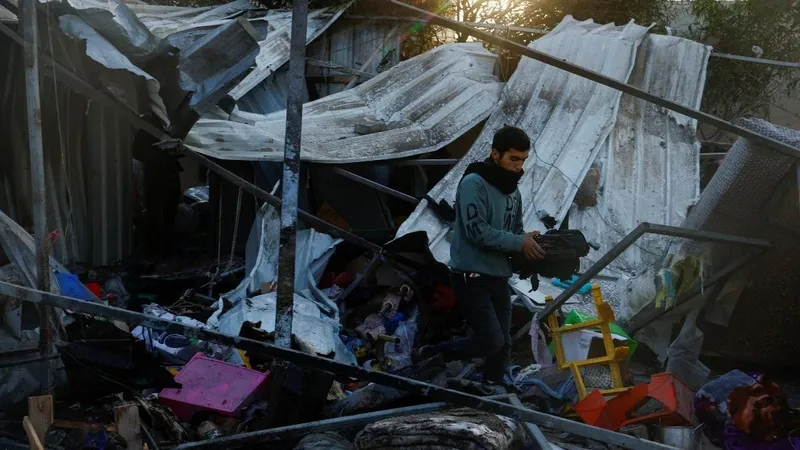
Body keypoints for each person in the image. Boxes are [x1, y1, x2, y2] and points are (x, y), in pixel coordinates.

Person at [414, 126, 545, 384]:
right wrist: (519, 242)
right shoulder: (474, 183)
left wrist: (532, 242)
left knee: (503, 343)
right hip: (470, 276)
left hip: (499, 275)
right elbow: (477, 231)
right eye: (513, 159)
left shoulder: (513, 191)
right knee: (490, 340)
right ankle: (429, 354)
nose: (518, 167)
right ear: (495, 154)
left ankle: (492, 391)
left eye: (523, 160)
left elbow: (514, 230)